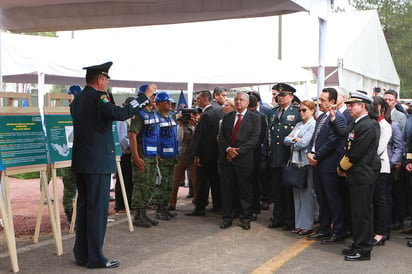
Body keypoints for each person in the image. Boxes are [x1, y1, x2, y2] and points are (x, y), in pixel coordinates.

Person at [70, 61, 153, 269]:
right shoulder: (99, 97)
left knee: (83, 208)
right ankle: (96, 257)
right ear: (99, 80)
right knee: (97, 211)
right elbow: (120, 114)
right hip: (98, 162)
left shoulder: (78, 99)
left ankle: (82, 254)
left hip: (81, 160)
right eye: (106, 79)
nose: (107, 82)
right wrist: (144, 98)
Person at [336, 91, 380, 261]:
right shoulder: (358, 123)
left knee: (362, 214)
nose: (349, 108)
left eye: (352, 105)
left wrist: (341, 167)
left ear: (362, 106)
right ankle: (358, 244)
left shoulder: (368, 125)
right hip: (356, 175)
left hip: (362, 175)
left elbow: (355, 152)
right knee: (357, 213)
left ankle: (363, 249)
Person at [307, 87, 347, 243]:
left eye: (323, 100)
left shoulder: (338, 118)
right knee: (322, 198)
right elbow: (315, 138)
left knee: (333, 199)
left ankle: (338, 230)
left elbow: (333, 141)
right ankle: (323, 228)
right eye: (319, 99)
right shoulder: (322, 117)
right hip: (318, 164)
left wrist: (317, 156)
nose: (319, 103)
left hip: (329, 165)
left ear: (332, 101)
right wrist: (310, 152)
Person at [218, 91, 261, 230]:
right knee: (227, 189)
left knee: (245, 190)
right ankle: (227, 217)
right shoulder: (228, 116)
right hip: (227, 159)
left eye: (241, 100)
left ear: (247, 103)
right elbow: (222, 136)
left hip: (244, 160)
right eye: (236, 99)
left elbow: (254, 140)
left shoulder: (255, 118)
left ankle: (245, 218)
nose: (238, 102)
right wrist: (228, 149)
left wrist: (237, 151)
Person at [266, 83, 301, 230]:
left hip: (288, 157)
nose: (280, 98)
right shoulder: (273, 112)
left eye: (283, 95)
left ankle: (289, 219)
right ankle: (278, 217)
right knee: (277, 190)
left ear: (291, 97)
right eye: (278, 95)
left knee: (288, 190)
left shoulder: (297, 112)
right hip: (275, 156)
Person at [129, 84, 160, 228]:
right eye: (152, 95)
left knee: (149, 185)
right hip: (142, 156)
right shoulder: (138, 114)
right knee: (140, 185)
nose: (154, 98)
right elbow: (132, 135)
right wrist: (136, 157)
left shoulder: (152, 113)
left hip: (151, 156)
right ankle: (138, 215)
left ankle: (144, 213)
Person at [284, 100, 316, 236]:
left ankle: (307, 224)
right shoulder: (298, 124)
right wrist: (294, 141)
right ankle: (299, 224)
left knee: (307, 195)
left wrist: (294, 141)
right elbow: (286, 140)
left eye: (304, 110)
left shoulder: (312, 125)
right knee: (297, 195)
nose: (301, 113)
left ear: (312, 111)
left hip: (305, 163)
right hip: (295, 162)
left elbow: (305, 142)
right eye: (300, 110)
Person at [186, 90, 221, 216]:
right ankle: (217, 205)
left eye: (199, 99)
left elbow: (202, 138)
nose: (197, 101)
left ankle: (200, 207)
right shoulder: (216, 112)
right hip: (214, 154)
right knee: (214, 181)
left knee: (202, 182)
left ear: (206, 99)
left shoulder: (207, 114)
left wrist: (197, 155)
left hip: (205, 155)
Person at [151, 92, 179, 220]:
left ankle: (165, 207)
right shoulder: (156, 118)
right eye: (166, 102)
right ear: (158, 104)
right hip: (162, 157)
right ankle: (159, 209)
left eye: (169, 102)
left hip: (171, 156)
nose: (169, 104)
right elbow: (154, 138)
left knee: (169, 184)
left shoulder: (170, 117)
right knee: (161, 184)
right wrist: (157, 154)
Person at [370, 96, 392, 246]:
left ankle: (381, 232)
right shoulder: (372, 123)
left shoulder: (385, 125)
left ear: (379, 108)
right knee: (372, 200)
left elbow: (379, 148)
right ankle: (374, 229)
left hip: (380, 167)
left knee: (380, 200)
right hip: (370, 166)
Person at [169, 109, 201, 210]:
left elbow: (199, 137)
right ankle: (172, 203)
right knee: (175, 181)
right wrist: (181, 125)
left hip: (192, 156)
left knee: (195, 182)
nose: (194, 117)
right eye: (192, 115)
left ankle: (197, 203)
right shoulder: (180, 126)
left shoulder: (197, 125)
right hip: (181, 156)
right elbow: (179, 138)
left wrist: (196, 125)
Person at [62, 85, 83, 228]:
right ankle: (71, 217)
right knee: (70, 189)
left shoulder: (82, 113)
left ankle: (76, 217)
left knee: (79, 189)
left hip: (80, 157)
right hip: (67, 158)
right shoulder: (60, 114)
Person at [246, 94, 268, 221]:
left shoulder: (260, 118)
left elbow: (259, 138)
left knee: (254, 181)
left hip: (255, 154)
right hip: (247, 154)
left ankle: (254, 207)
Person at [113, 97, 135, 213]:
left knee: (129, 179)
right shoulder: (123, 119)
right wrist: (132, 147)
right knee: (123, 179)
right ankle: (120, 205)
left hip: (129, 153)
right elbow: (122, 138)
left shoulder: (131, 118)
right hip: (124, 153)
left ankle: (128, 204)